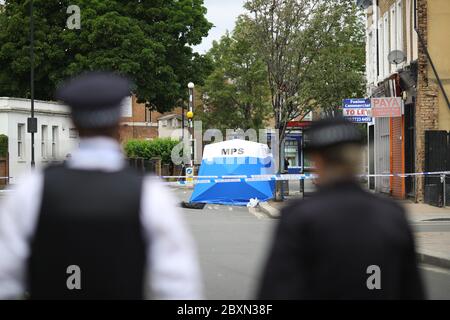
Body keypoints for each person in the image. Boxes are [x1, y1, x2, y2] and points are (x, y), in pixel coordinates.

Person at [0, 72, 202, 299]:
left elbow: (6, 277)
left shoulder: (32, 190)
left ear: (74, 121)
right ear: (118, 122)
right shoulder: (148, 193)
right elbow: (178, 285)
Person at [257, 117, 425, 300]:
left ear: (318, 160)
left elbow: (276, 290)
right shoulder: (392, 215)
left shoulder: (299, 217)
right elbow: (411, 289)